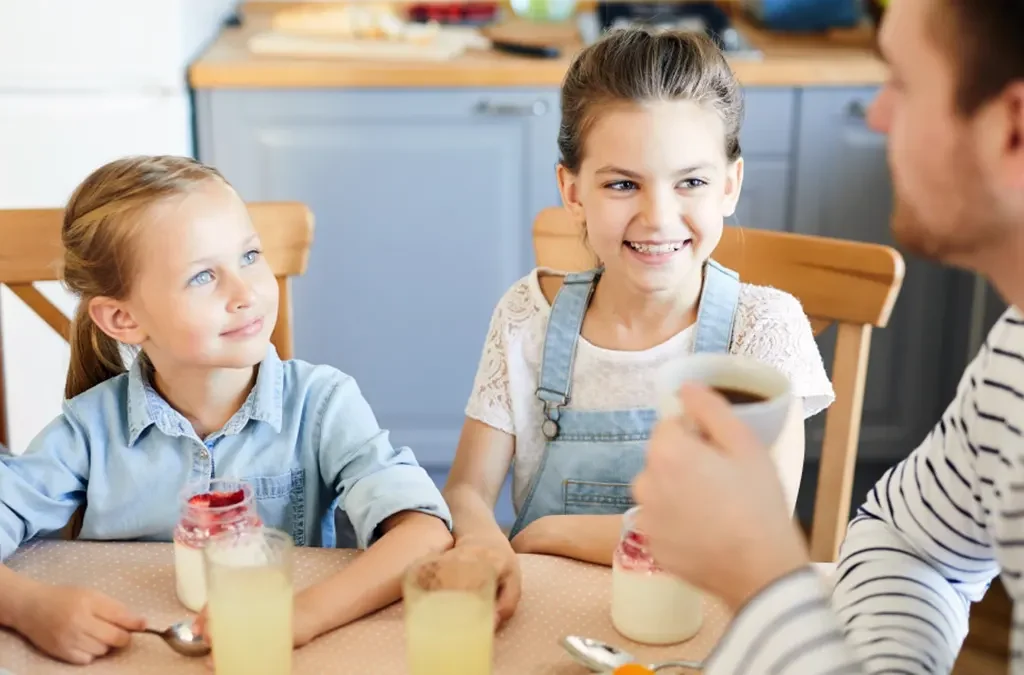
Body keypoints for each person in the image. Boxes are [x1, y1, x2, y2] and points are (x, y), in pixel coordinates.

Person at [632, 0, 1024, 672]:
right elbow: (912, 543)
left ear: (1013, 131)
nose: (876, 114)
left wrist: (764, 581)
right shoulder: (1014, 355)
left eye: (900, 81)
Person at [442, 26, 835, 626]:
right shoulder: (527, 318)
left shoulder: (764, 329)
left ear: (729, 185)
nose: (657, 217)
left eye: (691, 183)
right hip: (548, 621)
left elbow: (748, 530)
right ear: (572, 191)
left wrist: (550, 532)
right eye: (623, 184)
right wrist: (483, 540)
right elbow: (467, 493)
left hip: (707, 631)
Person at [0, 155, 453, 665]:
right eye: (201, 277)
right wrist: (25, 605)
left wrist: (297, 617)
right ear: (123, 318)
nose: (246, 293)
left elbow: (424, 533)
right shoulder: (88, 433)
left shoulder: (323, 406)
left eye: (250, 255)